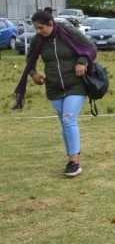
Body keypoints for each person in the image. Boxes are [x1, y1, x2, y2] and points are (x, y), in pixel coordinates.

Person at [13, 10, 97, 176]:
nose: (38, 31)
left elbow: (91, 48)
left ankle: (75, 162)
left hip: (76, 85)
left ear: (51, 24)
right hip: (53, 87)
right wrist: (34, 74)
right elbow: (30, 59)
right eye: (36, 28)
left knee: (68, 119)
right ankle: (71, 158)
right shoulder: (39, 40)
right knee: (64, 123)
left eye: (41, 27)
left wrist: (82, 61)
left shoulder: (69, 32)